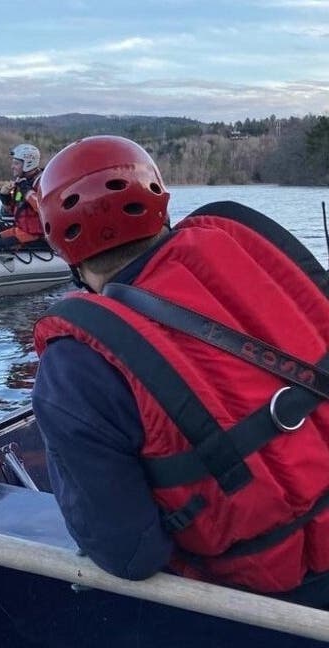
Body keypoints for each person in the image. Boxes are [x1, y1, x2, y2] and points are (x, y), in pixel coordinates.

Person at [31, 135, 329, 605]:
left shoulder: (76, 364)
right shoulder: (250, 249)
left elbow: (130, 554)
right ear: (160, 205)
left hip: (268, 590)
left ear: (62, 246)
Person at [0, 144, 47, 252]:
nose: (12, 166)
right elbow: (12, 211)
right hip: (21, 231)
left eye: (16, 163)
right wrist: (5, 197)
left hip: (37, 235)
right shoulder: (21, 182)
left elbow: (42, 207)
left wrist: (25, 189)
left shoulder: (41, 182)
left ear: (28, 164)